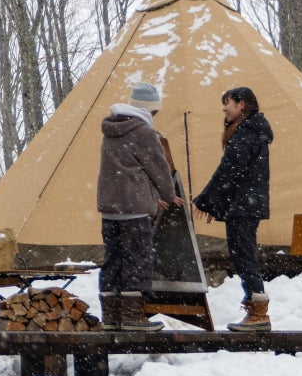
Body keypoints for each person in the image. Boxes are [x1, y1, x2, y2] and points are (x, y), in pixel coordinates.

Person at [96, 81, 176, 331]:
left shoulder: (110, 129)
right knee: (137, 259)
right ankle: (132, 316)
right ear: (151, 109)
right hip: (134, 208)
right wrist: (168, 194)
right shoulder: (143, 132)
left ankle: (111, 316)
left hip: (110, 208)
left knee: (113, 260)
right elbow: (159, 168)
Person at [194, 86, 274, 331]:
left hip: (244, 207)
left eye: (227, 103)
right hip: (245, 205)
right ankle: (256, 307)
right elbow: (235, 176)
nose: (224, 109)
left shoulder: (247, 134)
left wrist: (205, 200)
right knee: (242, 256)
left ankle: (258, 312)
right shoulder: (250, 132)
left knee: (244, 257)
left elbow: (228, 172)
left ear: (242, 104)